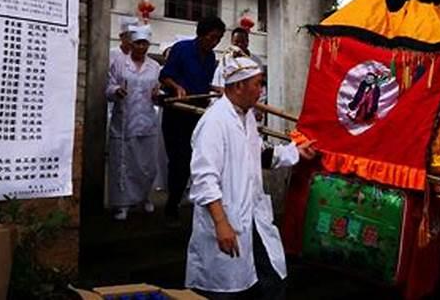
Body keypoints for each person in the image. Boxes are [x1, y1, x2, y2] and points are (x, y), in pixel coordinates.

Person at [185, 55, 317, 299]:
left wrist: (295, 152)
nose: (261, 91)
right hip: (227, 219)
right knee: (226, 289)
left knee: (271, 278)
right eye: (257, 84)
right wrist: (221, 223)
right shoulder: (214, 122)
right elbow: (204, 180)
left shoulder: (245, 117)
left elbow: (258, 154)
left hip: (252, 216)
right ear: (238, 86)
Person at [160, 15, 226, 222]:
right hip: (176, 111)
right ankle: (171, 206)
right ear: (201, 34)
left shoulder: (211, 58)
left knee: (196, 159)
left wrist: (216, 89)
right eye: (212, 37)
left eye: (218, 38)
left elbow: (203, 84)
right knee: (178, 160)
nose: (214, 42)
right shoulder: (181, 49)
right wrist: (177, 87)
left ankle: (195, 202)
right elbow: (165, 76)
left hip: (197, 115)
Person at [105, 25, 162, 221]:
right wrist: (116, 91)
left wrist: (157, 95)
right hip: (124, 120)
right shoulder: (119, 64)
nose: (141, 47)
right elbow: (108, 86)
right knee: (122, 163)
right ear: (131, 43)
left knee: (146, 164)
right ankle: (122, 204)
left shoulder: (155, 67)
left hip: (146, 120)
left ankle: (144, 197)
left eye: (145, 43)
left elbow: (158, 92)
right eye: (138, 43)